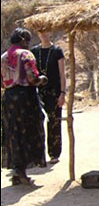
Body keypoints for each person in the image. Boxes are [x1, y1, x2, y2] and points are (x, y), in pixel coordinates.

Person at [1, 28, 48, 186]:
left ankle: (16, 169)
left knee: (13, 133)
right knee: (30, 131)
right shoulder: (26, 55)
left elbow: (2, 82)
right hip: (25, 99)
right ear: (22, 40)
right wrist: (42, 79)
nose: (28, 44)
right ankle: (22, 171)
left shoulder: (4, 57)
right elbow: (32, 78)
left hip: (9, 99)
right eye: (27, 40)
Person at [31, 31, 66, 165]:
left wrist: (62, 93)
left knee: (54, 122)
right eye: (41, 32)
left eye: (46, 31)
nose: (44, 34)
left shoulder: (57, 51)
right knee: (37, 123)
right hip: (39, 92)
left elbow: (62, 74)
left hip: (54, 91)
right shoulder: (34, 51)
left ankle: (54, 153)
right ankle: (38, 156)